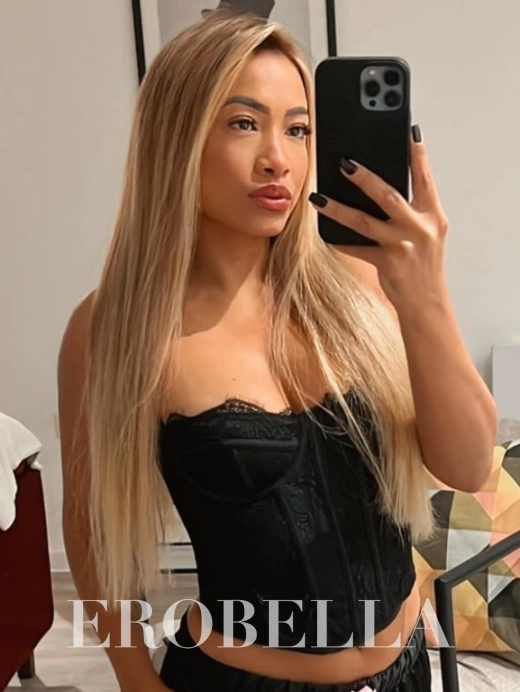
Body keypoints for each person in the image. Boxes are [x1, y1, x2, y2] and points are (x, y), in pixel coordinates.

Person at [57, 7, 498, 692]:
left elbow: (467, 466)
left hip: (407, 669)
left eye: (298, 129)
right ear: (177, 137)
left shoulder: (361, 283)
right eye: (244, 123)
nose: (279, 158)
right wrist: (137, 682)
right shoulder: (118, 328)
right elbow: (92, 533)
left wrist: (426, 295)